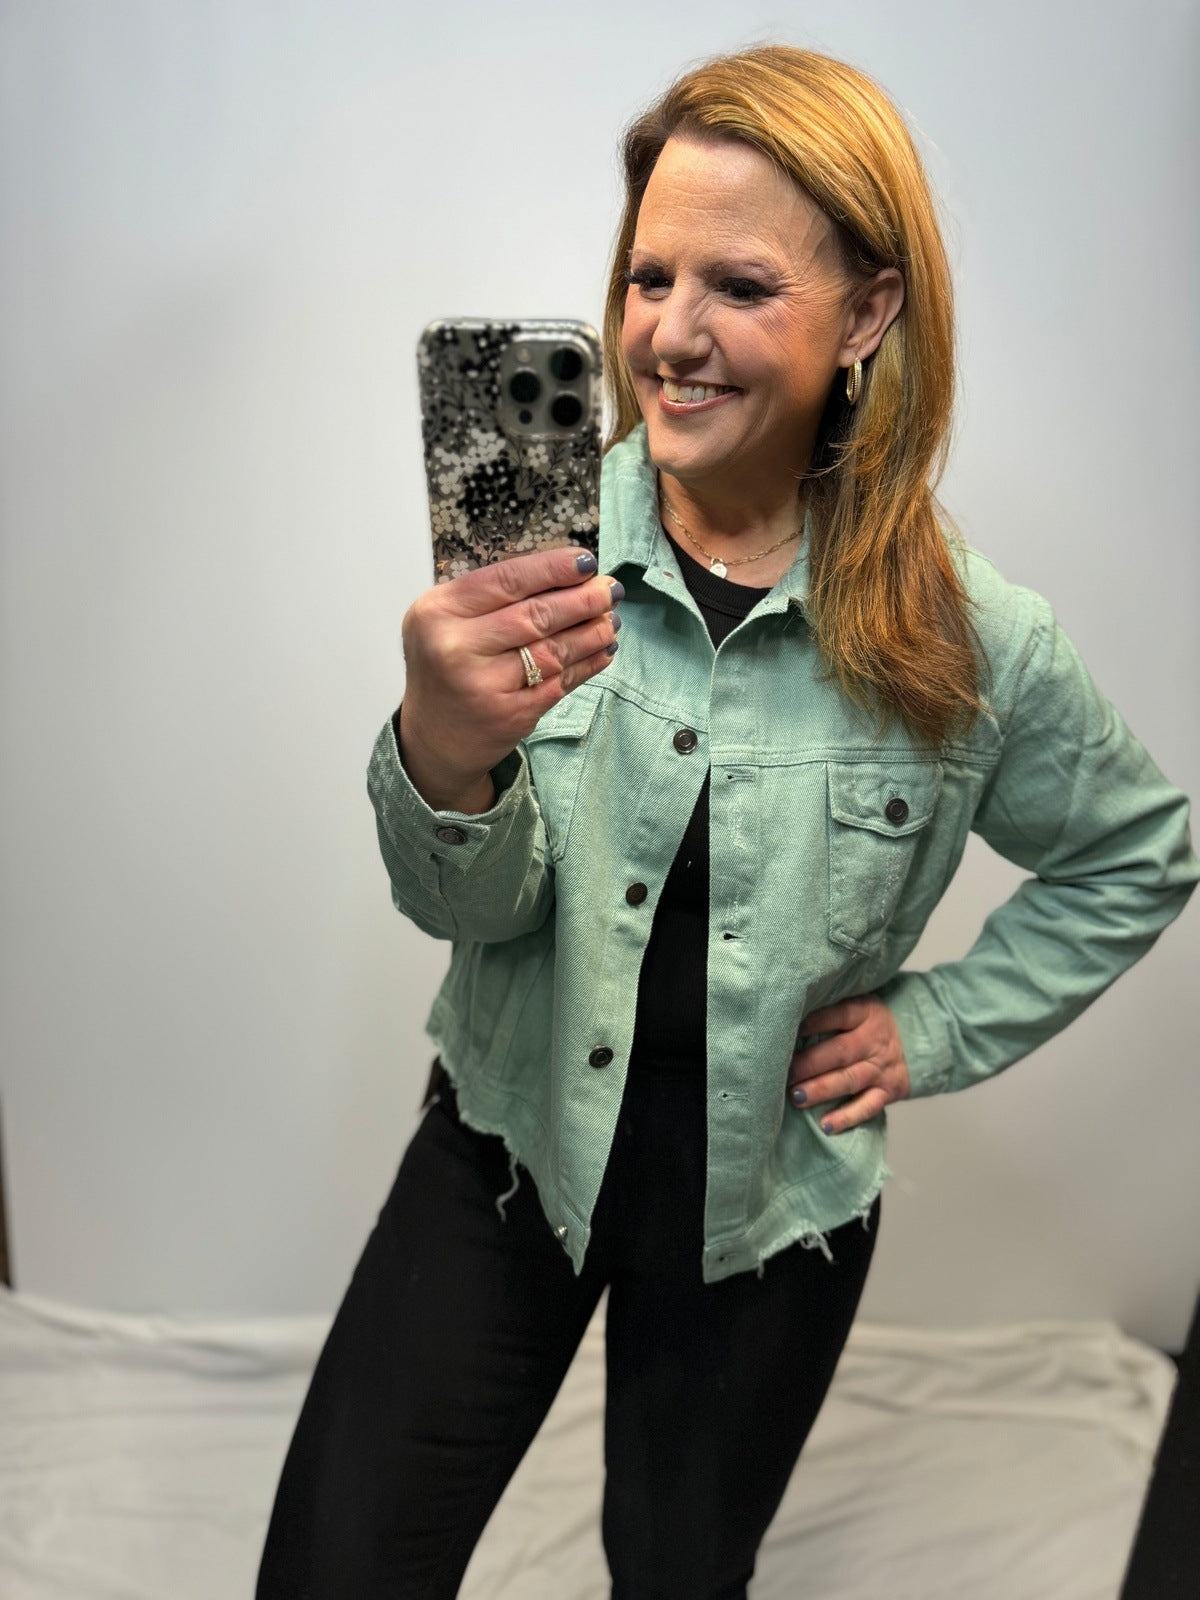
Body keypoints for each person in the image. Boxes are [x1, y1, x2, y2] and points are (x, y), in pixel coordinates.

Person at [256, 44, 1197, 1600]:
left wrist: (937, 1026)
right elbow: (470, 912)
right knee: (335, 1567)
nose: (668, 336)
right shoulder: (544, 572)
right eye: (649, 277)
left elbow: (1137, 853)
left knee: (679, 1575)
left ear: (868, 315)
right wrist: (442, 754)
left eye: (742, 287)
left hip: (764, 1216)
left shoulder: (970, 639)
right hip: (509, 1152)